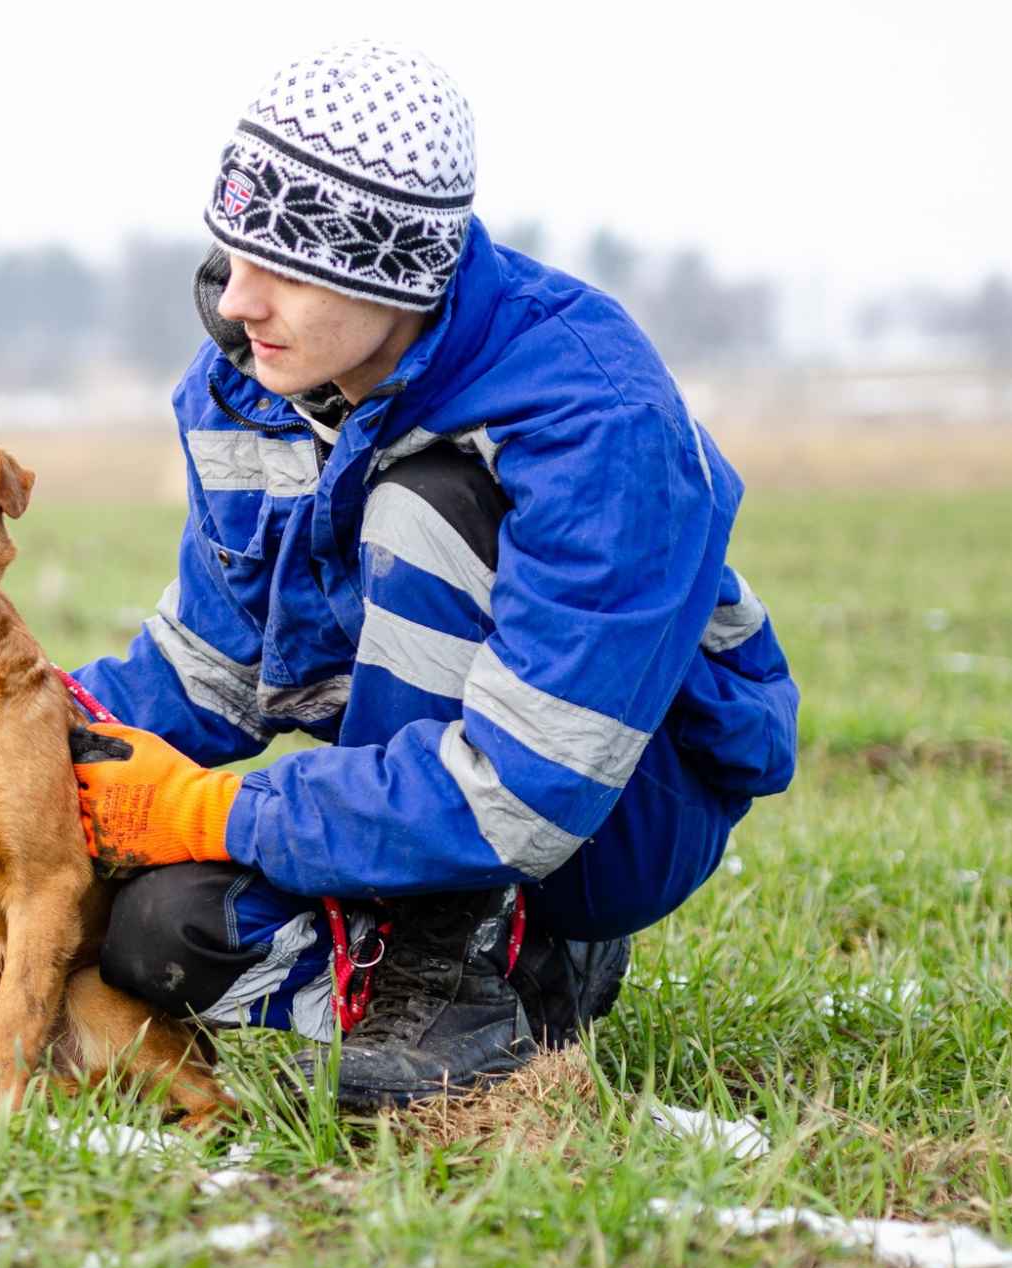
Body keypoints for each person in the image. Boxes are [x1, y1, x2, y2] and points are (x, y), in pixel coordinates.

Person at [67, 40, 798, 1111]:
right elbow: (208, 671)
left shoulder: (595, 418)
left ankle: (446, 988)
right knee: (155, 937)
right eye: (230, 252)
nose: (237, 303)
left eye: (285, 269)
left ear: (390, 270)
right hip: (409, 783)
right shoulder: (250, 376)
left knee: (426, 499)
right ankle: (527, 978)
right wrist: (11, 735)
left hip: (608, 810)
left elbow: (526, 788)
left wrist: (212, 815)